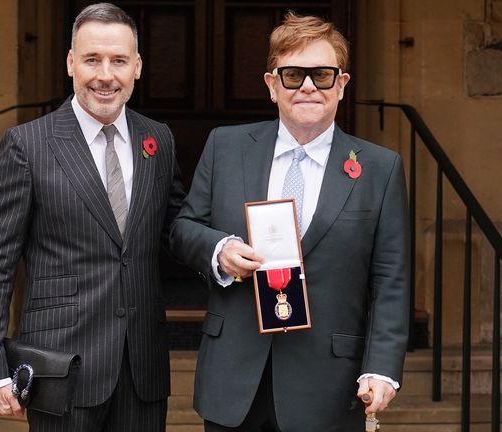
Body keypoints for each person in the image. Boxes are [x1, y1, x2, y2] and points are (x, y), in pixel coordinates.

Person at [170, 11, 409, 432]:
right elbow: (183, 229)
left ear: (342, 85)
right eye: (294, 75)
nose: (309, 87)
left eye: (322, 74)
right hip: (234, 381)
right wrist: (219, 251)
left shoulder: (379, 168)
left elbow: (391, 281)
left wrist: (382, 369)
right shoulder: (225, 147)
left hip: (329, 387)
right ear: (271, 84)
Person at [0, 3, 185, 431]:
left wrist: (224, 250)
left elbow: (176, 232)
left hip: (141, 369)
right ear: (71, 63)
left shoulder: (158, 139)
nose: (105, 74)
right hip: (62, 368)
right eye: (92, 59)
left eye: (118, 60)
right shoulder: (27, 145)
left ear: (137, 67)